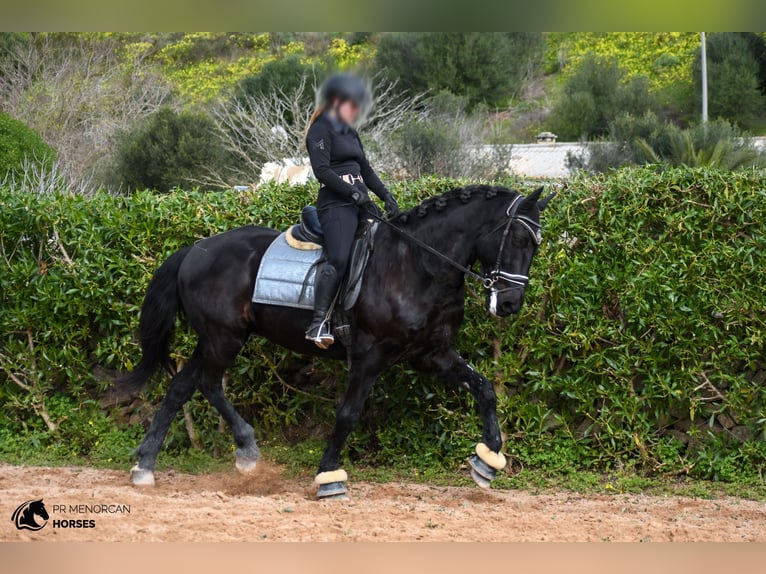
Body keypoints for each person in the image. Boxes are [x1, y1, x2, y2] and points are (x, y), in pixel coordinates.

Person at [304, 73, 400, 349]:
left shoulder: (350, 131)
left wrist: (385, 196)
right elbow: (322, 171)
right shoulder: (320, 129)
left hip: (360, 202)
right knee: (339, 257)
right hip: (336, 205)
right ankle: (318, 322)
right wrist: (350, 192)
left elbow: (366, 171)